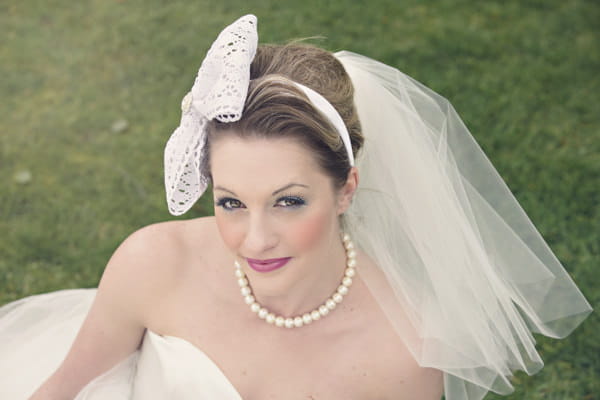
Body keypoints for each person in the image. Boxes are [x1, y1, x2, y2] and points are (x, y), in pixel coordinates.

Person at [0, 14, 591, 400]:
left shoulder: (403, 357)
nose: (255, 239)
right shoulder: (154, 263)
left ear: (346, 191)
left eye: (288, 201)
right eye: (231, 202)